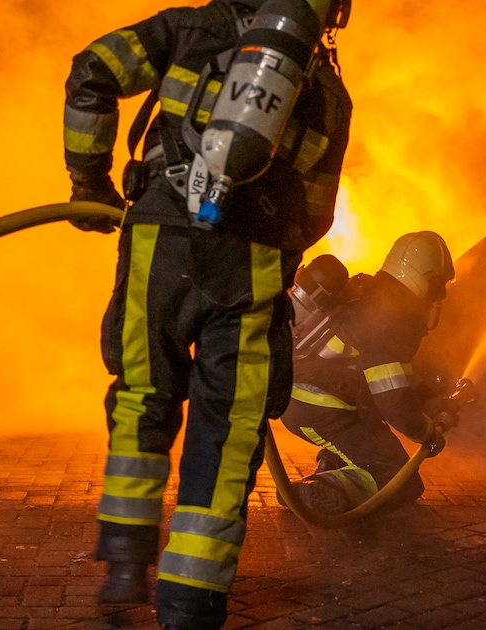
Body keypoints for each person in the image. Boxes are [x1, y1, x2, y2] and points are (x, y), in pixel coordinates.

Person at [62, 1, 352, 628]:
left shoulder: (189, 28)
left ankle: (121, 563)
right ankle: (191, 601)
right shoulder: (328, 89)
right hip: (252, 266)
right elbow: (320, 211)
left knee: (143, 394)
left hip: (156, 244)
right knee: (230, 425)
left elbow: (93, 70)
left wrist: (89, 181)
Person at [280, 231, 457, 515]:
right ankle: (315, 490)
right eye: (439, 286)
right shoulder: (392, 317)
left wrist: (429, 401)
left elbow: (395, 375)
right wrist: (426, 433)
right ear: (424, 279)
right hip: (323, 409)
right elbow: (391, 398)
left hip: (312, 402)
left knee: (376, 451)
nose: (441, 295)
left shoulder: (377, 297)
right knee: (400, 480)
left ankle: (333, 467)